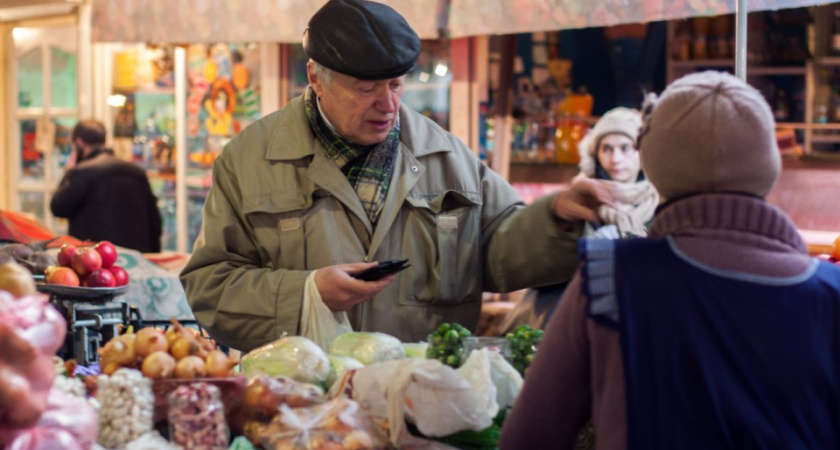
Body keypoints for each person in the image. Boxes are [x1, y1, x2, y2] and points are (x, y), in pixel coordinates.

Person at [179, 0, 615, 353]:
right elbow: (209, 285)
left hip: (426, 405)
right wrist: (308, 293)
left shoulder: (447, 157)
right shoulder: (249, 159)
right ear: (316, 77)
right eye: (365, 89)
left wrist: (555, 218)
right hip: (302, 408)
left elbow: (499, 249)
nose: (387, 104)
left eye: (396, 85)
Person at [500, 71, 840, 449]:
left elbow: (528, 438)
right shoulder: (830, 294)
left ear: (655, 160)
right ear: (768, 162)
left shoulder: (608, 276)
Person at [500, 107, 658, 332]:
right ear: (595, 153)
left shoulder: (658, 204)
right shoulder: (577, 200)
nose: (615, 159)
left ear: (642, 153)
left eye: (626, 148)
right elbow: (539, 265)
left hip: (638, 320)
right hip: (571, 320)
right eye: (607, 149)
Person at [51, 119, 162, 253]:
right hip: (137, 258)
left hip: (99, 261)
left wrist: (69, 171)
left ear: (79, 143)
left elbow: (58, 207)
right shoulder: (137, 172)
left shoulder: (82, 172)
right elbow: (155, 223)